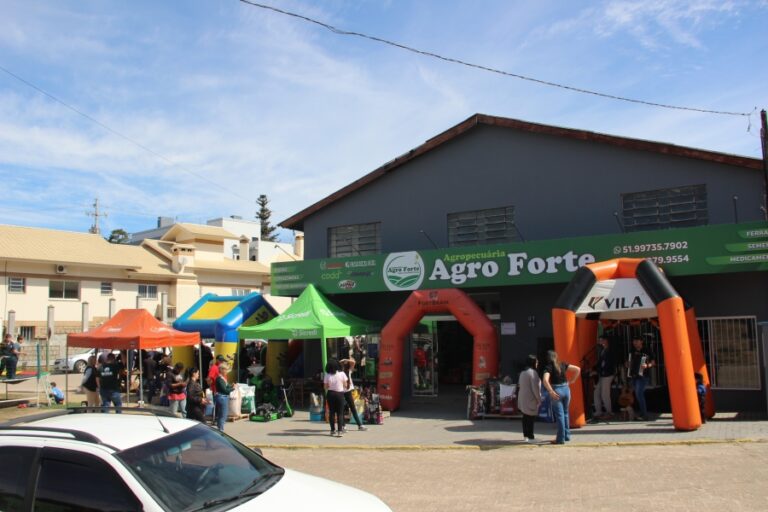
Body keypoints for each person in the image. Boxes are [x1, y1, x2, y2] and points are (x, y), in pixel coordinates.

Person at [542, 350, 580, 444]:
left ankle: (560, 439)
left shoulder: (548, 367)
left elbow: (545, 380)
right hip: (566, 389)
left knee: (559, 415)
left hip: (556, 390)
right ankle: (567, 436)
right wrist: (572, 380)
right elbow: (577, 369)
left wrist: (550, 391)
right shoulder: (562, 364)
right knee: (566, 413)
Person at [627, 337, 655, 420]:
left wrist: (647, 365)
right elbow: (629, 361)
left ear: (641, 341)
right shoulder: (632, 351)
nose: (634, 343)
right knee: (637, 394)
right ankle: (639, 413)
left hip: (643, 375)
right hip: (634, 375)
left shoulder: (647, 350)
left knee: (639, 393)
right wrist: (627, 364)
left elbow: (653, 363)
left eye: (636, 341)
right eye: (633, 341)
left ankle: (644, 414)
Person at [517, 355, 542, 442]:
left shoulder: (523, 372)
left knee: (525, 417)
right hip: (530, 399)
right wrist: (539, 399)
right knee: (530, 418)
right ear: (533, 363)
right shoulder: (533, 373)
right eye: (536, 362)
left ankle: (526, 436)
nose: (537, 363)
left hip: (522, 398)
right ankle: (530, 436)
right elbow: (535, 388)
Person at [591, 337, 615, 419]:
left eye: (602, 340)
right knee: (596, 392)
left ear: (606, 340)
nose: (600, 341)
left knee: (605, 394)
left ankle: (609, 412)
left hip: (608, 374)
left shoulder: (610, 351)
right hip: (602, 374)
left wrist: (597, 371)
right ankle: (598, 411)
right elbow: (600, 363)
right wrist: (593, 369)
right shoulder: (603, 350)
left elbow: (608, 364)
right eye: (599, 340)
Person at [340, 359, 367, 431]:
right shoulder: (339, 373)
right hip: (341, 392)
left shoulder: (348, 371)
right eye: (343, 365)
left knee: (353, 408)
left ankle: (360, 425)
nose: (344, 366)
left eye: (345, 365)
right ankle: (343, 426)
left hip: (348, 391)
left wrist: (346, 360)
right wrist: (342, 362)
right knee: (342, 409)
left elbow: (353, 362)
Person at [323, 358, 348, 437]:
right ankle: (340, 431)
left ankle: (332, 430)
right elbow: (345, 385)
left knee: (332, 412)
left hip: (330, 394)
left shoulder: (327, 375)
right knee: (340, 413)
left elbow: (325, 387)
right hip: (339, 394)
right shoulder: (342, 374)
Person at [214, 361, 234, 431]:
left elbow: (226, 386)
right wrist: (233, 388)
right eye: (226, 370)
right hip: (222, 397)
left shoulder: (222, 378)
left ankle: (220, 428)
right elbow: (225, 390)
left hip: (222, 397)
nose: (227, 371)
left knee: (221, 415)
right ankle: (221, 430)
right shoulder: (219, 379)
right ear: (222, 370)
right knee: (223, 415)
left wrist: (231, 386)